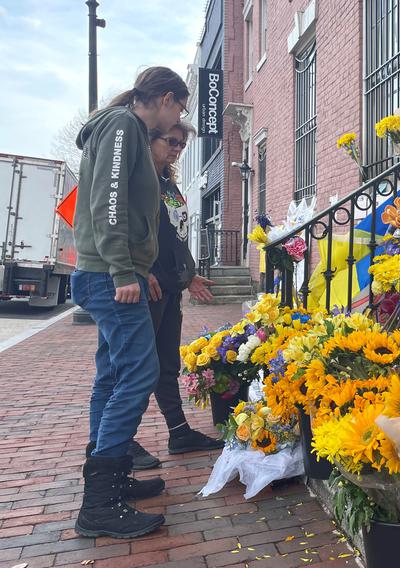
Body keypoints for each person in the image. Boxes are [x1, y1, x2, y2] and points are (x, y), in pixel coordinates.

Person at [71, 66, 189, 539]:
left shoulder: (125, 129)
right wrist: (124, 270)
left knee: (114, 373)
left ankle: (110, 479)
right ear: (164, 98)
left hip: (106, 272)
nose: (176, 121)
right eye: (178, 109)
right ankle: (99, 502)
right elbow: (110, 201)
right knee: (138, 374)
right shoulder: (123, 126)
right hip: (110, 275)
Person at [126, 122, 220, 471]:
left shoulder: (169, 183)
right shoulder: (142, 179)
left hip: (170, 286)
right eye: (171, 141)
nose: (177, 147)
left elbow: (175, 234)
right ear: (150, 140)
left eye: (182, 144)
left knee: (167, 366)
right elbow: (130, 228)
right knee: (137, 368)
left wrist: (188, 274)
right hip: (148, 287)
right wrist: (142, 268)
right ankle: (121, 441)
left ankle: (179, 432)